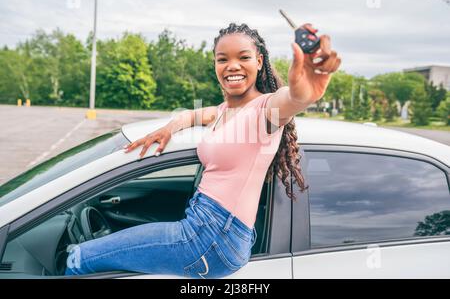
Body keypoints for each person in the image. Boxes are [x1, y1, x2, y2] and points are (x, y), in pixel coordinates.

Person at [65, 23, 341, 278]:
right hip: (206, 227)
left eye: (243, 57)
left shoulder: (264, 110)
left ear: (259, 62)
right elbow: (191, 116)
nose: (232, 65)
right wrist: (170, 127)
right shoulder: (225, 111)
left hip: (212, 238)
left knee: (80, 259)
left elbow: (292, 98)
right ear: (215, 65)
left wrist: (305, 93)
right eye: (223, 59)